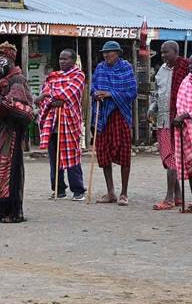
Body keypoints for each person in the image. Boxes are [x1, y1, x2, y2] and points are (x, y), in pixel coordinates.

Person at [0, 42, 34, 223]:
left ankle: (9, 211)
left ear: (10, 59)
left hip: (9, 131)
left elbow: (18, 104)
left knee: (5, 168)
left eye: (0, 59)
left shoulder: (17, 79)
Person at [35, 49, 86, 201]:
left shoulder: (78, 75)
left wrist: (46, 96)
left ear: (73, 61)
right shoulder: (53, 76)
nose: (62, 62)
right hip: (53, 123)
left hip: (69, 121)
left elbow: (69, 93)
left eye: (66, 59)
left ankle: (78, 190)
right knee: (54, 158)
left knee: (72, 156)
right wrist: (51, 99)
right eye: (60, 59)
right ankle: (58, 189)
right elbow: (50, 96)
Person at [91, 41, 138, 206]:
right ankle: (110, 191)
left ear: (117, 53)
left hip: (121, 115)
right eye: (104, 53)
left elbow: (132, 92)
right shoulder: (100, 68)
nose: (105, 56)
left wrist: (110, 94)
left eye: (109, 53)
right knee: (104, 153)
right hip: (103, 116)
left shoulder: (126, 68)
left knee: (124, 153)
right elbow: (93, 86)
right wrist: (95, 93)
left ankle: (124, 193)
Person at [149, 41, 189, 210]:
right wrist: (152, 109)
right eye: (162, 52)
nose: (163, 55)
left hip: (180, 121)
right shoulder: (161, 70)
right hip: (163, 119)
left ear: (176, 52)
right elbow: (158, 94)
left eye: (166, 52)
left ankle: (169, 198)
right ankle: (178, 196)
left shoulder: (185, 69)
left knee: (173, 158)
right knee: (167, 157)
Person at [173, 60, 192, 212]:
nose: (191, 67)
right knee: (190, 168)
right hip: (186, 132)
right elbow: (180, 105)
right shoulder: (186, 81)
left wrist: (185, 115)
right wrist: (180, 118)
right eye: (190, 64)